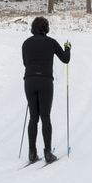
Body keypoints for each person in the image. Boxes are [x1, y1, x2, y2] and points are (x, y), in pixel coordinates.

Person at [22, 16, 71, 165]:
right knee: (45, 117)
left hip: (29, 81)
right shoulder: (51, 42)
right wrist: (68, 48)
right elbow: (65, 59)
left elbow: (25, 63)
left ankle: (32, 152)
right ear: (46, 28)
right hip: (45, 82)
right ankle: (48, 152)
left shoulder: (26, 43)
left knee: (33, 117)